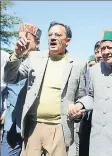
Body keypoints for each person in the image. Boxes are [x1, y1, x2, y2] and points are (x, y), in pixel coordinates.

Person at [3, 21, 89, 156]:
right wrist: (17, 55)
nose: (53, 38)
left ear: (68, 41)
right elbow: (10, 78)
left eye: (58, 35)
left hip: (59, 128)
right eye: (50, 35)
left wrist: (78, 109)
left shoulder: (79, 64)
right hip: (33, 126)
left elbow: (83, 96)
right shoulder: (34, 58)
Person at [1, 23, 42, 156]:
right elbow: (8, 80)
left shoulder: (44, 62)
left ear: (37, 42)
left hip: (34, 127)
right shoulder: (12, 60)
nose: (22, 42)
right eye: (20, 38)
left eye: (27, 39)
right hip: (12, 125)